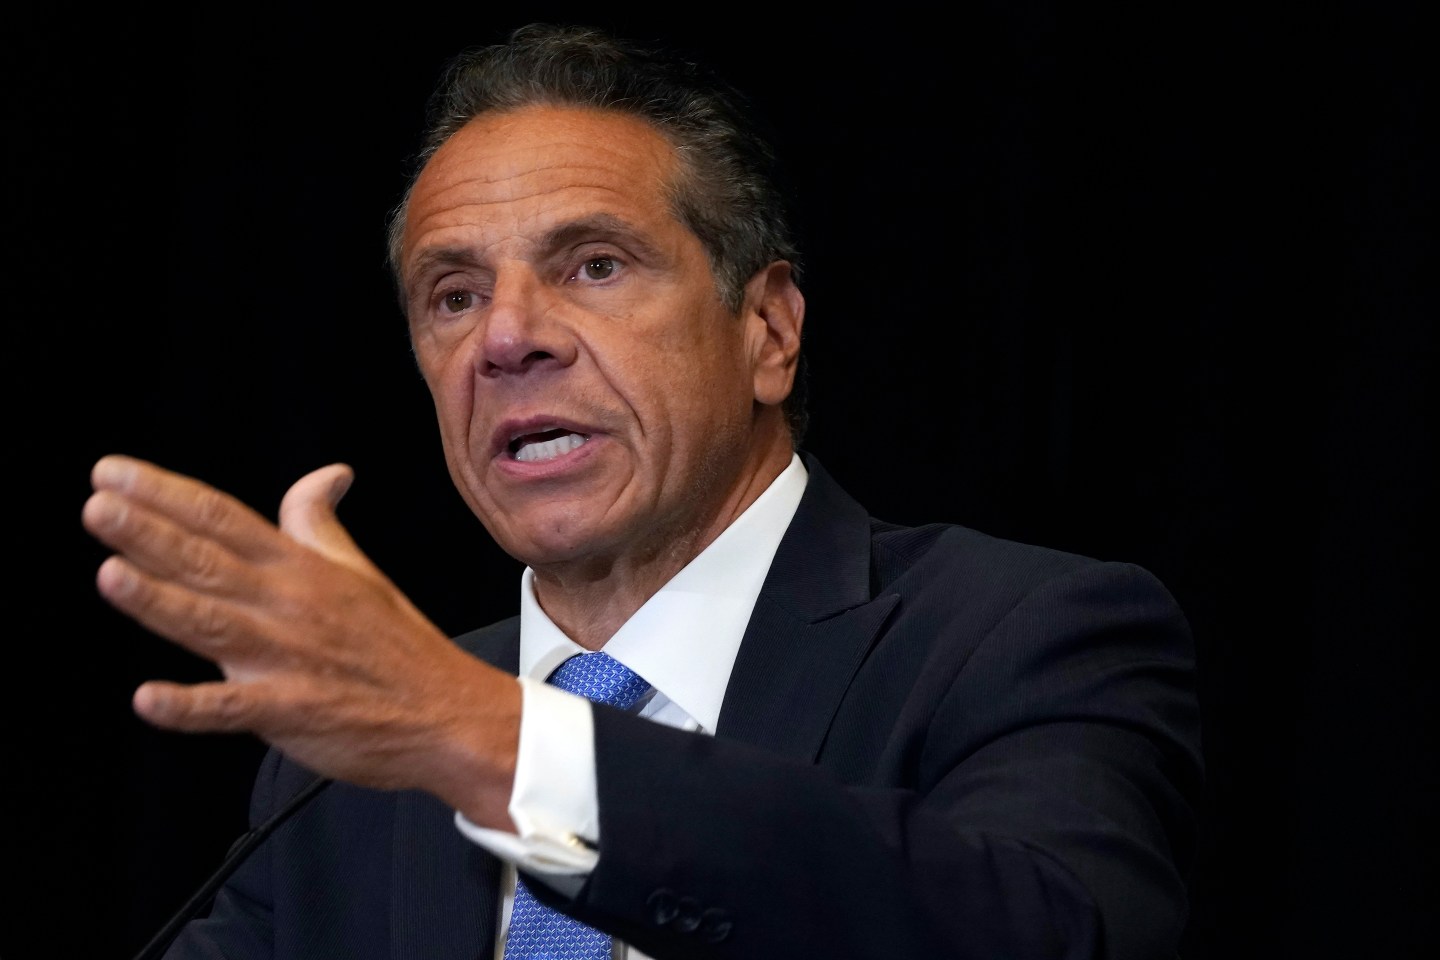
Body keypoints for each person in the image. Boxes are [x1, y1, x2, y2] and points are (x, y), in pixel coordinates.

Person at [83, 22, 1204, 960]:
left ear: (768, 331)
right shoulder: (350, 761)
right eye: (454, 294)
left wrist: (490, 739)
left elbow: (1043, 934)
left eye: (594, 265)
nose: (507, 338)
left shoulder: (1019, 638)